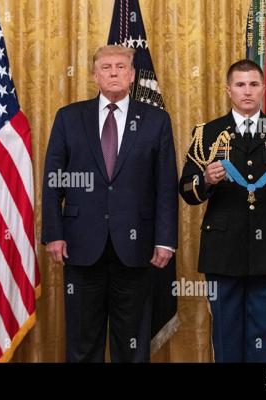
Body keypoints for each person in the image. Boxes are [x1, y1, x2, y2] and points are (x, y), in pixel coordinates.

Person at [42, 45, 178, 362]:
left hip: (136, 247)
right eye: (106, 67)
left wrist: (165, 240)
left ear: (132, 75)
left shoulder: (156, 120)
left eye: (120, 67)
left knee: (131, 344)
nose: (113, 72)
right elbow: (53, 181)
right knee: (82, 343)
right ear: (95, 75)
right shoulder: (69, 117)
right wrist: (54, 233)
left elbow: (166, 185)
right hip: (80, 245)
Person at [179, 59, 266, 362]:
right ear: (229, 90)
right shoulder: (208, 133)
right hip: (223, 249)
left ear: (263, 88)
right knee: (225, 336)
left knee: (262, 336)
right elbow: (186, 189)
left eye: (254, 84)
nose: (247, 91)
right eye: (240, 85)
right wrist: (205, 180)